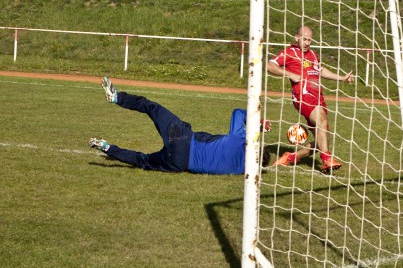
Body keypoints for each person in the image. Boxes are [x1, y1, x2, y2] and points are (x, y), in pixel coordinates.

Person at [89, 77, 271, 174]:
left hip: (182, 139)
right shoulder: (241, 172)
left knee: (150, 107)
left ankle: (116, 97)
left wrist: (257, 121)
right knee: (142, 161)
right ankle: (107, 147)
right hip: (178, 163)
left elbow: (237, 112)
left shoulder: (240, 140)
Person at [267, 25, 354, 173]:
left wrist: (342, 78)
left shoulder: (313, 54)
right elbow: (270, 65)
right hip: (303, 96)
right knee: (321, 120)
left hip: (318, 97)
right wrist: (290, 74)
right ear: (297, 38)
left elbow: (320, 70)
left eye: (310, 40)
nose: (307, 43)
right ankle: (327, 159)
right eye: (304, 39)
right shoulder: (290, 52)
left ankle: (290, 158)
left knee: (323, 138)